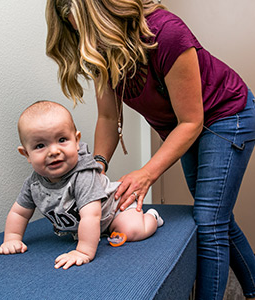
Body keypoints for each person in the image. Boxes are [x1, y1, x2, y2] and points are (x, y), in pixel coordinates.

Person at [45, 0, 255, 299]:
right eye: (78, 32)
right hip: (182, 126)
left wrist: (146, 173)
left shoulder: (165, 33)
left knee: (209, 219)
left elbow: (192, 120)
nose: (88, 41)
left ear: (107, 14)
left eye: (90, 29)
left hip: (227, 114)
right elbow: (108, 118)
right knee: (218, 216)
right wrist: (96, 168)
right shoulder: (100, 51)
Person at [0, 100, 163, 270]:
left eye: (62, 140)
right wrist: (12, 238)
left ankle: (152, 218)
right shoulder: (33, 183)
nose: (54, 151)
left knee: (133, 230)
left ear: (76, 141)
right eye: (40, 145)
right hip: (89, 225)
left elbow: (91, 216)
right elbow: (19, 213)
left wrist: (83, 251)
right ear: (26, 153)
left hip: (115, 211)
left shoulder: (83, 175)